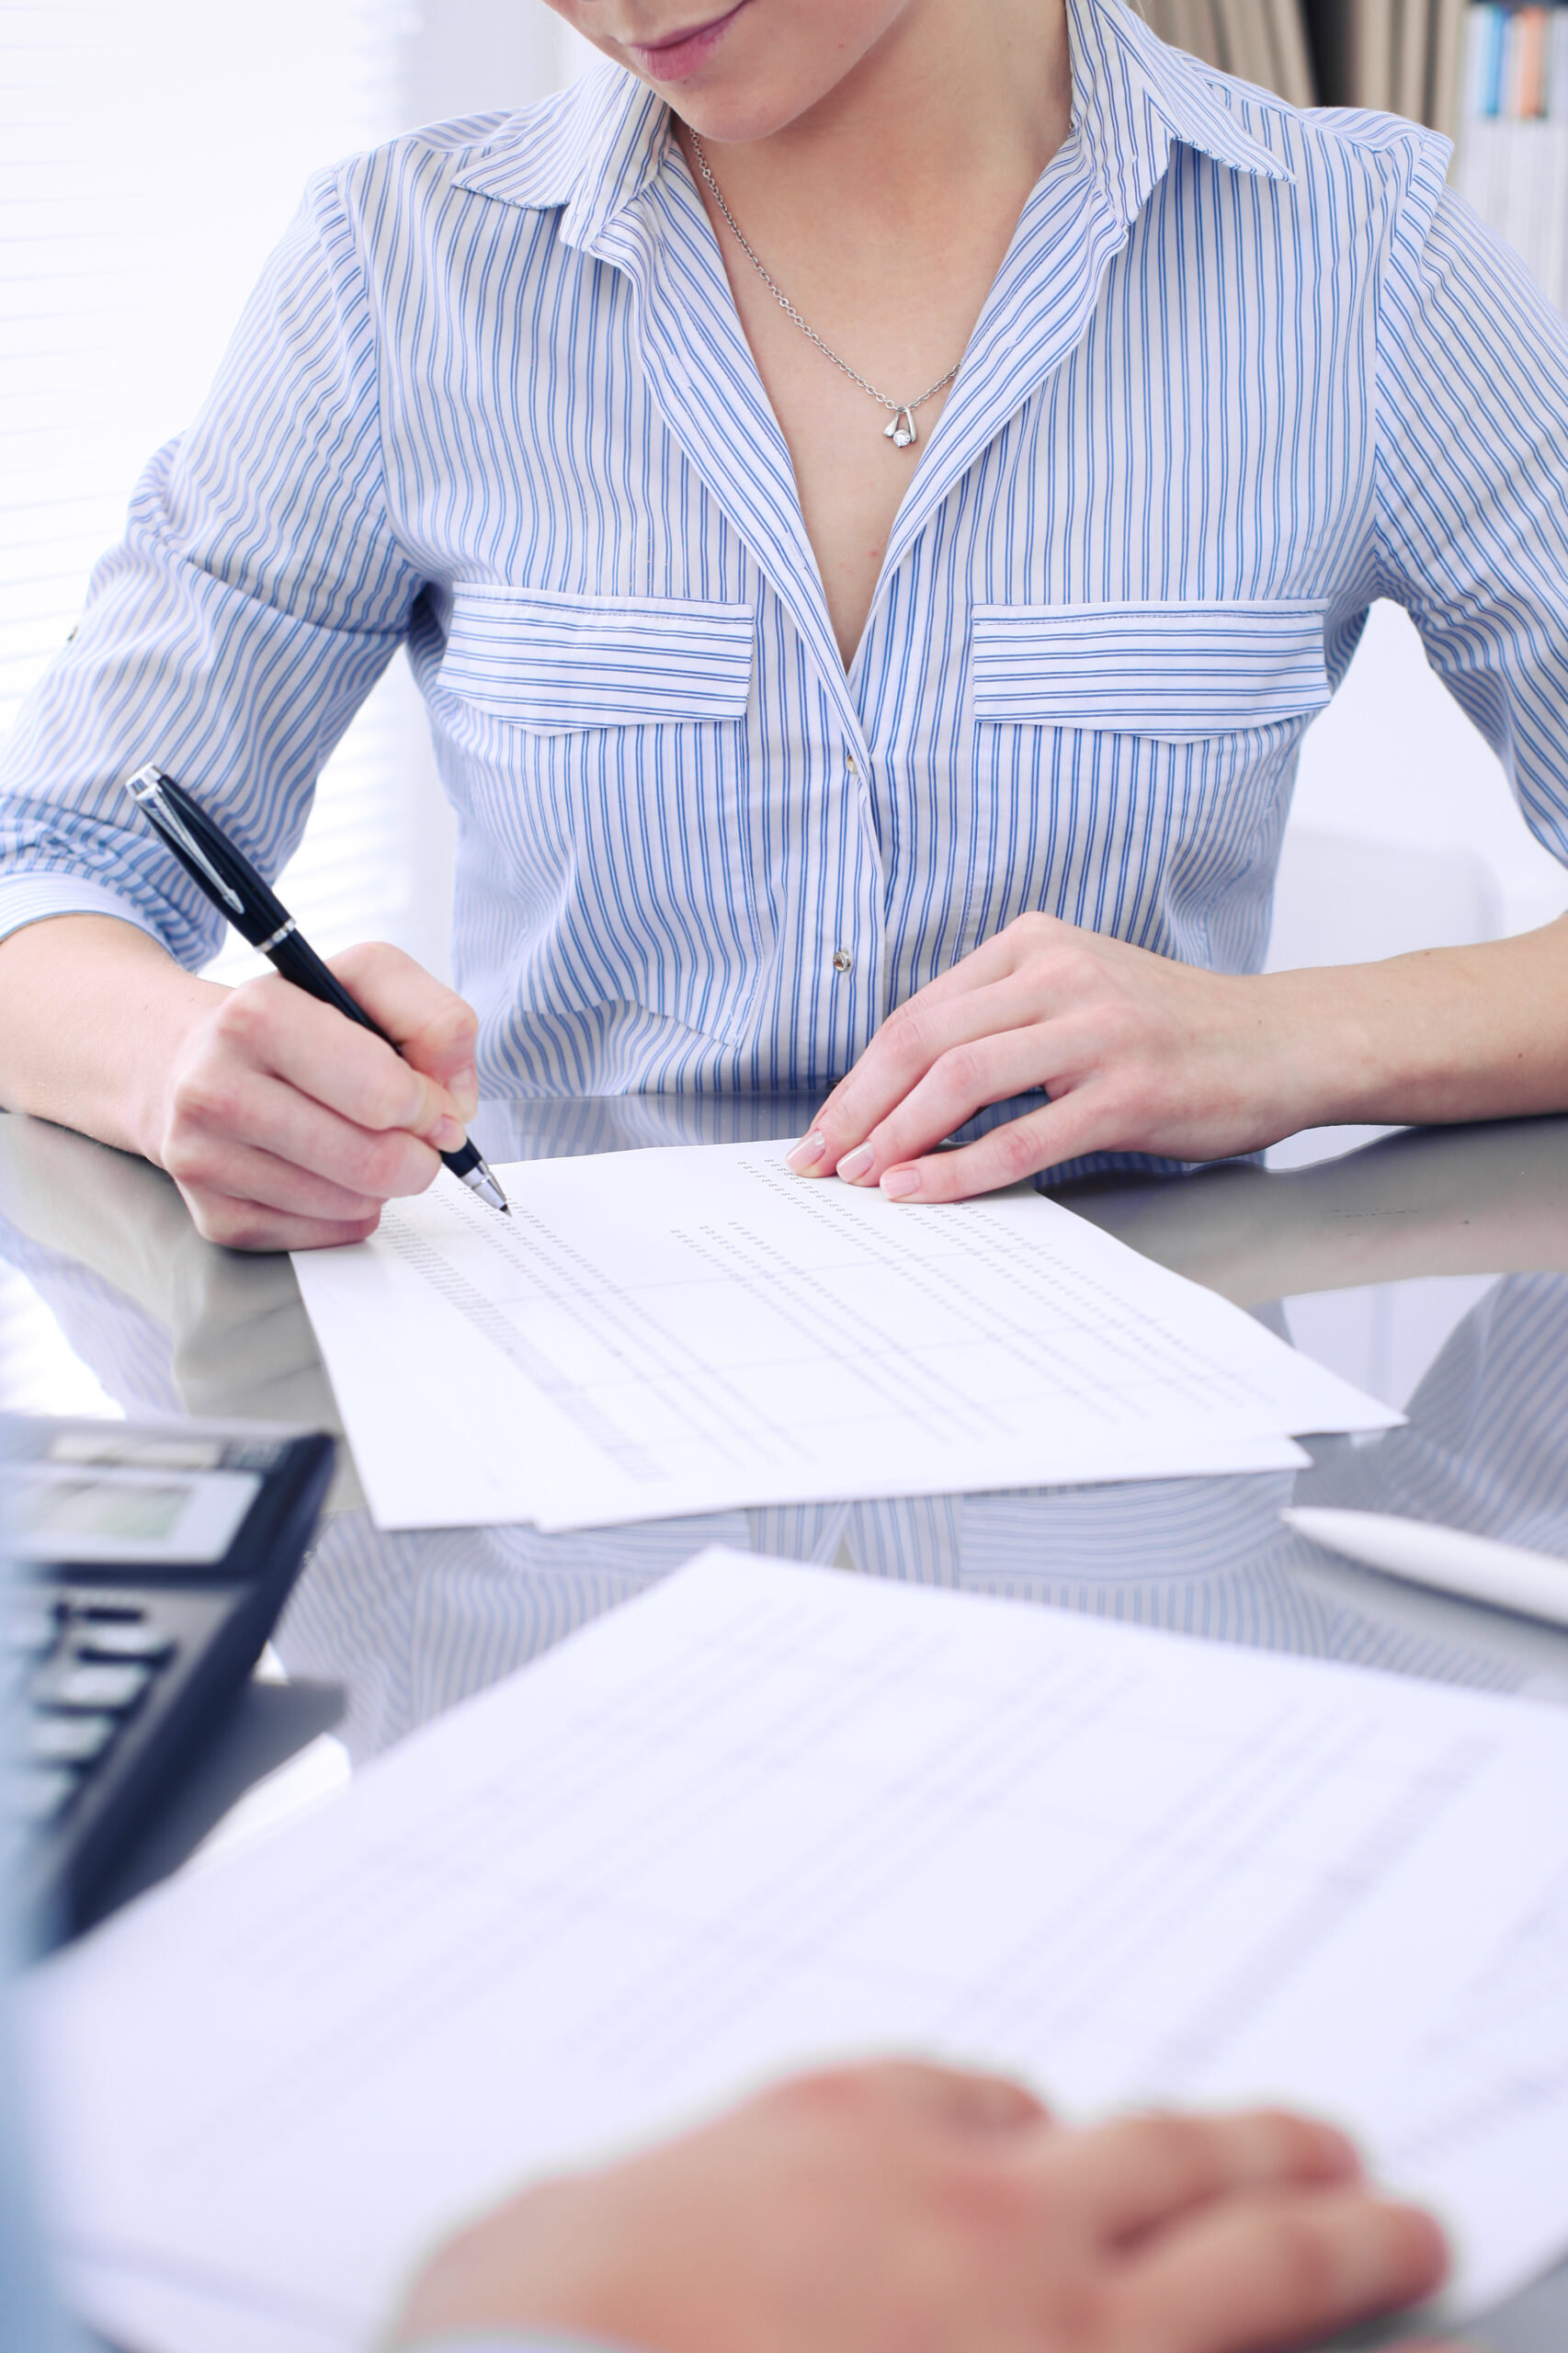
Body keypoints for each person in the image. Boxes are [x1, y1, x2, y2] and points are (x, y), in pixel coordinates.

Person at [2, 0, 1567, 1246]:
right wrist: (175, 1065)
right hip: (563, 1442)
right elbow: (43, 874)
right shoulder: (395, 269)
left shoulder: (1365, 257)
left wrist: (1284, 1042)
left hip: (1132, 1492)